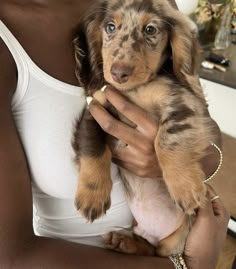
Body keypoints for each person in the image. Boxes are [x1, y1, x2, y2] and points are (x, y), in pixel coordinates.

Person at [0, 0, 229, 268]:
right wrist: (188, 265)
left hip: (175, 233)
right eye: (110, 28)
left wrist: (174, 162)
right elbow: (11, 257)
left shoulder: (153, 5)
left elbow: (206, 128)